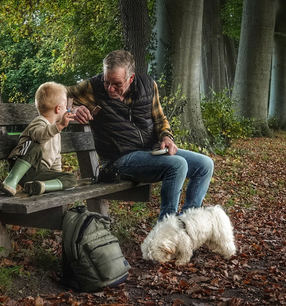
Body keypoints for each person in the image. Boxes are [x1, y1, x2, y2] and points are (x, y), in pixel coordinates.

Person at [67, 50, 214, 220]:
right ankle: (166, 230)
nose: (110, 88)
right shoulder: (92, 88)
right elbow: (54, 96)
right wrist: (73, 109)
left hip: (151, 153)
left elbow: (160, 119)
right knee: (177, 165)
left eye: (116, 84)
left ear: (131, 78)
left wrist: (167, 137)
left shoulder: (148, 85)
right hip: (118, 159)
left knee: (205, 165)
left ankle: (188, 226)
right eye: (106, 82)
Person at [0, 81, 77, 196]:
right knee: (34, 144)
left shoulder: (56, 133)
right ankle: (10, 182)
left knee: (71, 179)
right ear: (58, 109)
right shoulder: (39, 122)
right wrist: (59, 126)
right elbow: (39, 136)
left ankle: (41, 186)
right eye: (66, 107)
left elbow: (56, 158)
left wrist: (55, 174)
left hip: (41, 174)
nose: (67, 109)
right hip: (24, 167)